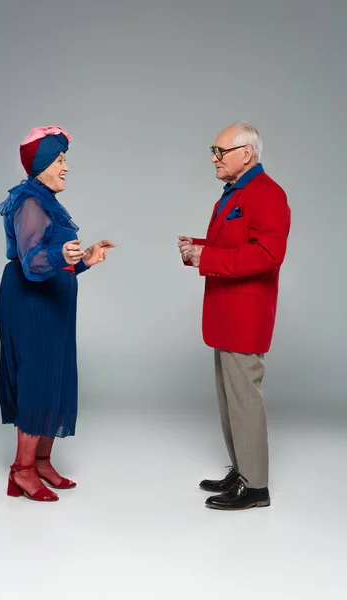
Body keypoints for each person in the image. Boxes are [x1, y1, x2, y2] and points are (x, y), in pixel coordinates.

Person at [0, 126, 115, 502]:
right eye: (60, 160)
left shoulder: (46, 200)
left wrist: (85, 260)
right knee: (36, 378)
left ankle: (42, 462)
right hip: (31, 304)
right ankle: (22, 471)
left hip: (53, 304)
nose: (66, 168)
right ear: (43, 163)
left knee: (55, 377)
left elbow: (55, 263)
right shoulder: (29, 202)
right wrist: (61, 256)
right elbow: (32, 264)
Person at [178, 121, 291, 510]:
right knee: (230, 399)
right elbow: (235, 243)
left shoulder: (267, 194)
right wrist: (198, 247)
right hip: (226, 313)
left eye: (219, 151)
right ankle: (242, 470)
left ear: (246, 153)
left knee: (244, 398)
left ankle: (256, 486)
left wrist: (206, 257)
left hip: (246, 315)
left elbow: (268, 254)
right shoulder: (235, 193)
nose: (213, 157)